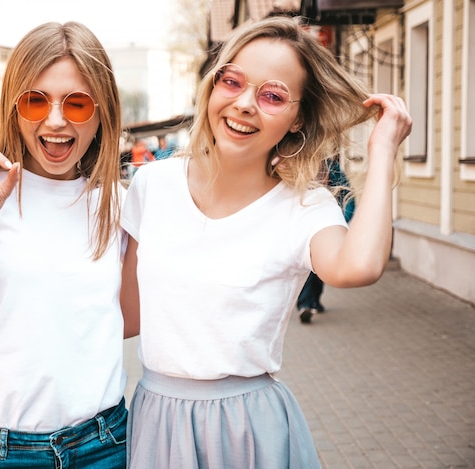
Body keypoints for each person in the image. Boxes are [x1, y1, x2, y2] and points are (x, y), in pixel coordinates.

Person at [120, 15, 411, 469]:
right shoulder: (151, 185)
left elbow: (359, 267)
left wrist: (382, 149)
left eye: (273, 95)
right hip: (157, 421)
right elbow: (124, 316)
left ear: (297, 119)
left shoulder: (304, 207)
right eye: (232, 82)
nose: (244, 104)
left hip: (247, 431)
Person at [0, 22, 128, 468]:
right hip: (2, 450)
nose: (55, 120)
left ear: (102, 112)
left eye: (77, 102)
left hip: (104, 442)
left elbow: (126, 320)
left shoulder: (117, 202)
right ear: (14, 107)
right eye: (35, 101)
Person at [298, 157, 356, 323]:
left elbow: (348, 196)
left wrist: (341, 223)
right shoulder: (296, 165)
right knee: (310, 269)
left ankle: (313, 302)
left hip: (329, 227)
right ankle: (305, 304)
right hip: (306, 227)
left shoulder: (332, 168)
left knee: (319, 271)